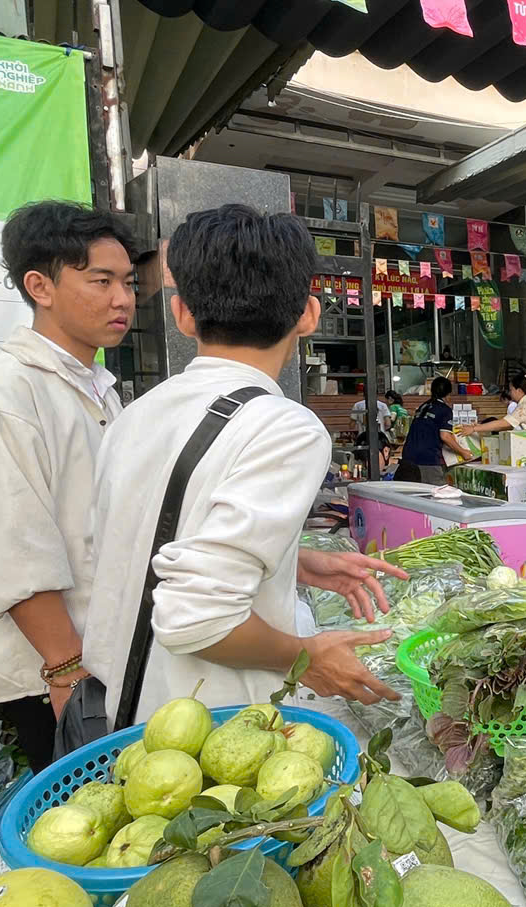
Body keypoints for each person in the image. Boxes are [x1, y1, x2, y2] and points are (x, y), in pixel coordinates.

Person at [82, 204, 403, 726]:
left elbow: (149, 540)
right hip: (214, 733)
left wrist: (290, 562)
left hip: (132, 719)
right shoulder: (285, 427)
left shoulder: (135, 414)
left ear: (182, 312)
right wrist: (307, 656)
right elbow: (196, 620)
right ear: (309, 314)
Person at [0, 202, 136, 769]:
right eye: (101, 281)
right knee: (78, 817)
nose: (122, 299)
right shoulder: (4, 394)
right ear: (40, 285)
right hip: (50, 672)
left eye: (128, 282)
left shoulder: (98, 387)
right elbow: (14, 548)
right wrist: (64, 669)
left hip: (100, 650)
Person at [396, 376, 474, 483]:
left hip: (407, 457)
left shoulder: (423, 406)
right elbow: (445, 436)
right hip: (427, 460)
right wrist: (463, 452)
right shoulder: (444, 410)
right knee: (435, 493)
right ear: (448, 394)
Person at [456, 372, 526, 439]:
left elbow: (503, 423)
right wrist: (481, 426)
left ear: (519, 391)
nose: (510, 393)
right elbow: (507, 425)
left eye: (511, 390)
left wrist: (474, 428)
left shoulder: (524, 407)